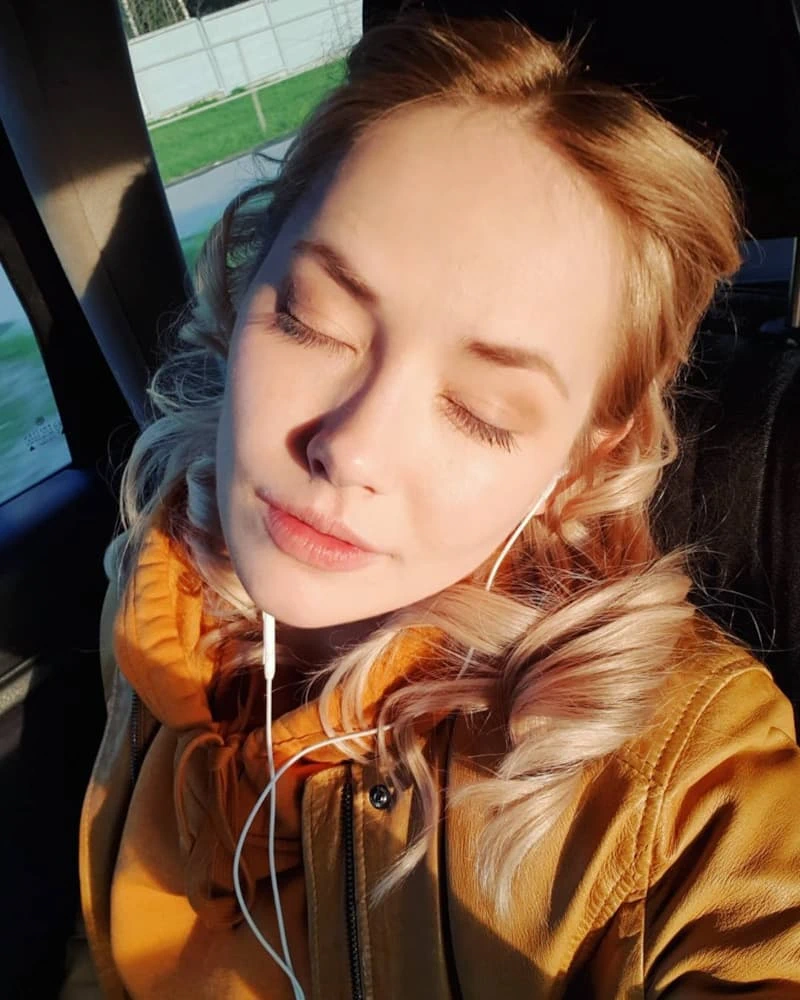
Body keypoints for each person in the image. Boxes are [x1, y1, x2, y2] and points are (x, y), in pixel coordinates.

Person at [66, 13, 800, 999]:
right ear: (242, 298)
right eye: (312, 322)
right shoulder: (162, 599)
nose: (351, 449)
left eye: (481, 411)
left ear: (584, 459)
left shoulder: (684, 783)